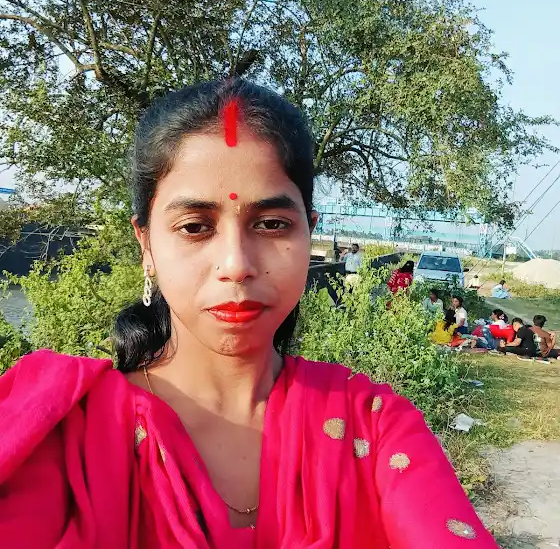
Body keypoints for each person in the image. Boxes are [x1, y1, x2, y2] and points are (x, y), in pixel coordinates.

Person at [0, 80, 498, 547]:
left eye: (272, 224)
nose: (236, 264)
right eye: (195, 227)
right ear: (146, 245)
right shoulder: (60, 432)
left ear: (308, 232)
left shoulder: (374, 427)